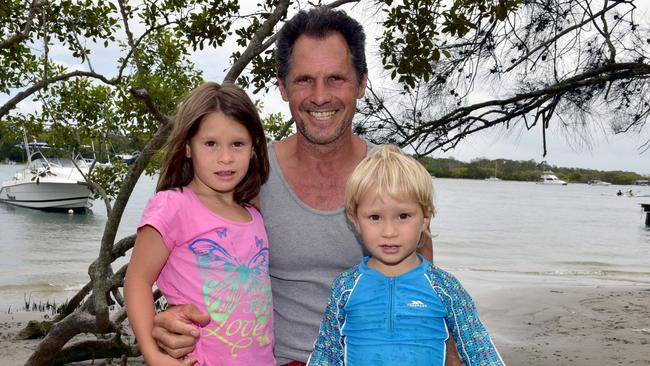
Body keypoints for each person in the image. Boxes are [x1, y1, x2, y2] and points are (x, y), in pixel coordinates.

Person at [150, 8, 463, 366]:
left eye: (335, 79)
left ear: (361, 84)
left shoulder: (394, 178)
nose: (319, 96)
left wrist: (449, 354)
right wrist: (165, 321)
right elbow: (188, 256)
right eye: (303, 80)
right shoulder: (248, 176)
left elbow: (427, 291)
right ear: (283, 87)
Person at [307, 145, 504, 365]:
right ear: (355, 219)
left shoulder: (445, 287)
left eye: (403, 216)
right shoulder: (345, 287)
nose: (389, 232)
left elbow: (481, 352)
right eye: (374, 217)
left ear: (425, 218)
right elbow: (326, 352)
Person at [124, 81, 274, 366]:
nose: (225, 157)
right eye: (210, 143)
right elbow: (137, 281)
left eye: (238, 144)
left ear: (254, 147)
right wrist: (153, 355)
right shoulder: (173, 205)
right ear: (188, 147)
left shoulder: (253, 214)